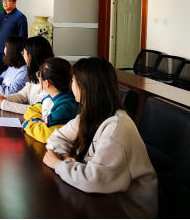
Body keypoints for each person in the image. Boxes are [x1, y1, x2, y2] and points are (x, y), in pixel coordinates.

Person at [44, 57, 158, 220]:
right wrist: (65, 156)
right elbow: (57, 138)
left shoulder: (117, 127)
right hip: (102, 198)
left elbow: (94, 180)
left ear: (86, 86)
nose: (71, 85)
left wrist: (57, 164)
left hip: (125, 210)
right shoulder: (91, 115)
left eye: (73, 80)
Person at [0, 36, 54, 114]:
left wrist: (3, 104)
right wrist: (3, 98)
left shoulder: (48, 79)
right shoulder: (36, 74)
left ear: (30, 56)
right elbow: (23, 95)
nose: (23, 56)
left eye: (23, 53)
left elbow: (37, 109)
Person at [22, 58, 78, 144]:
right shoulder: (49, 98)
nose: (38, 77)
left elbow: (46, 135)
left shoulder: (66, 106)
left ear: (47, 83)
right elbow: (31, 110)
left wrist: (28, 125)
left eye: (39, 74)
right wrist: (38, 121)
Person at [0, 0, 28, 75]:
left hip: (13, 53)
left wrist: (20, 53)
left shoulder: (20, 17)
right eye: (4, 1)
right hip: (1, 52)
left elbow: (23, 37)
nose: (5, 3)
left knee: (12, 76)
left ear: (15, 2)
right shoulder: (0, 16)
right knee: (2, 74)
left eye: (8, 1)